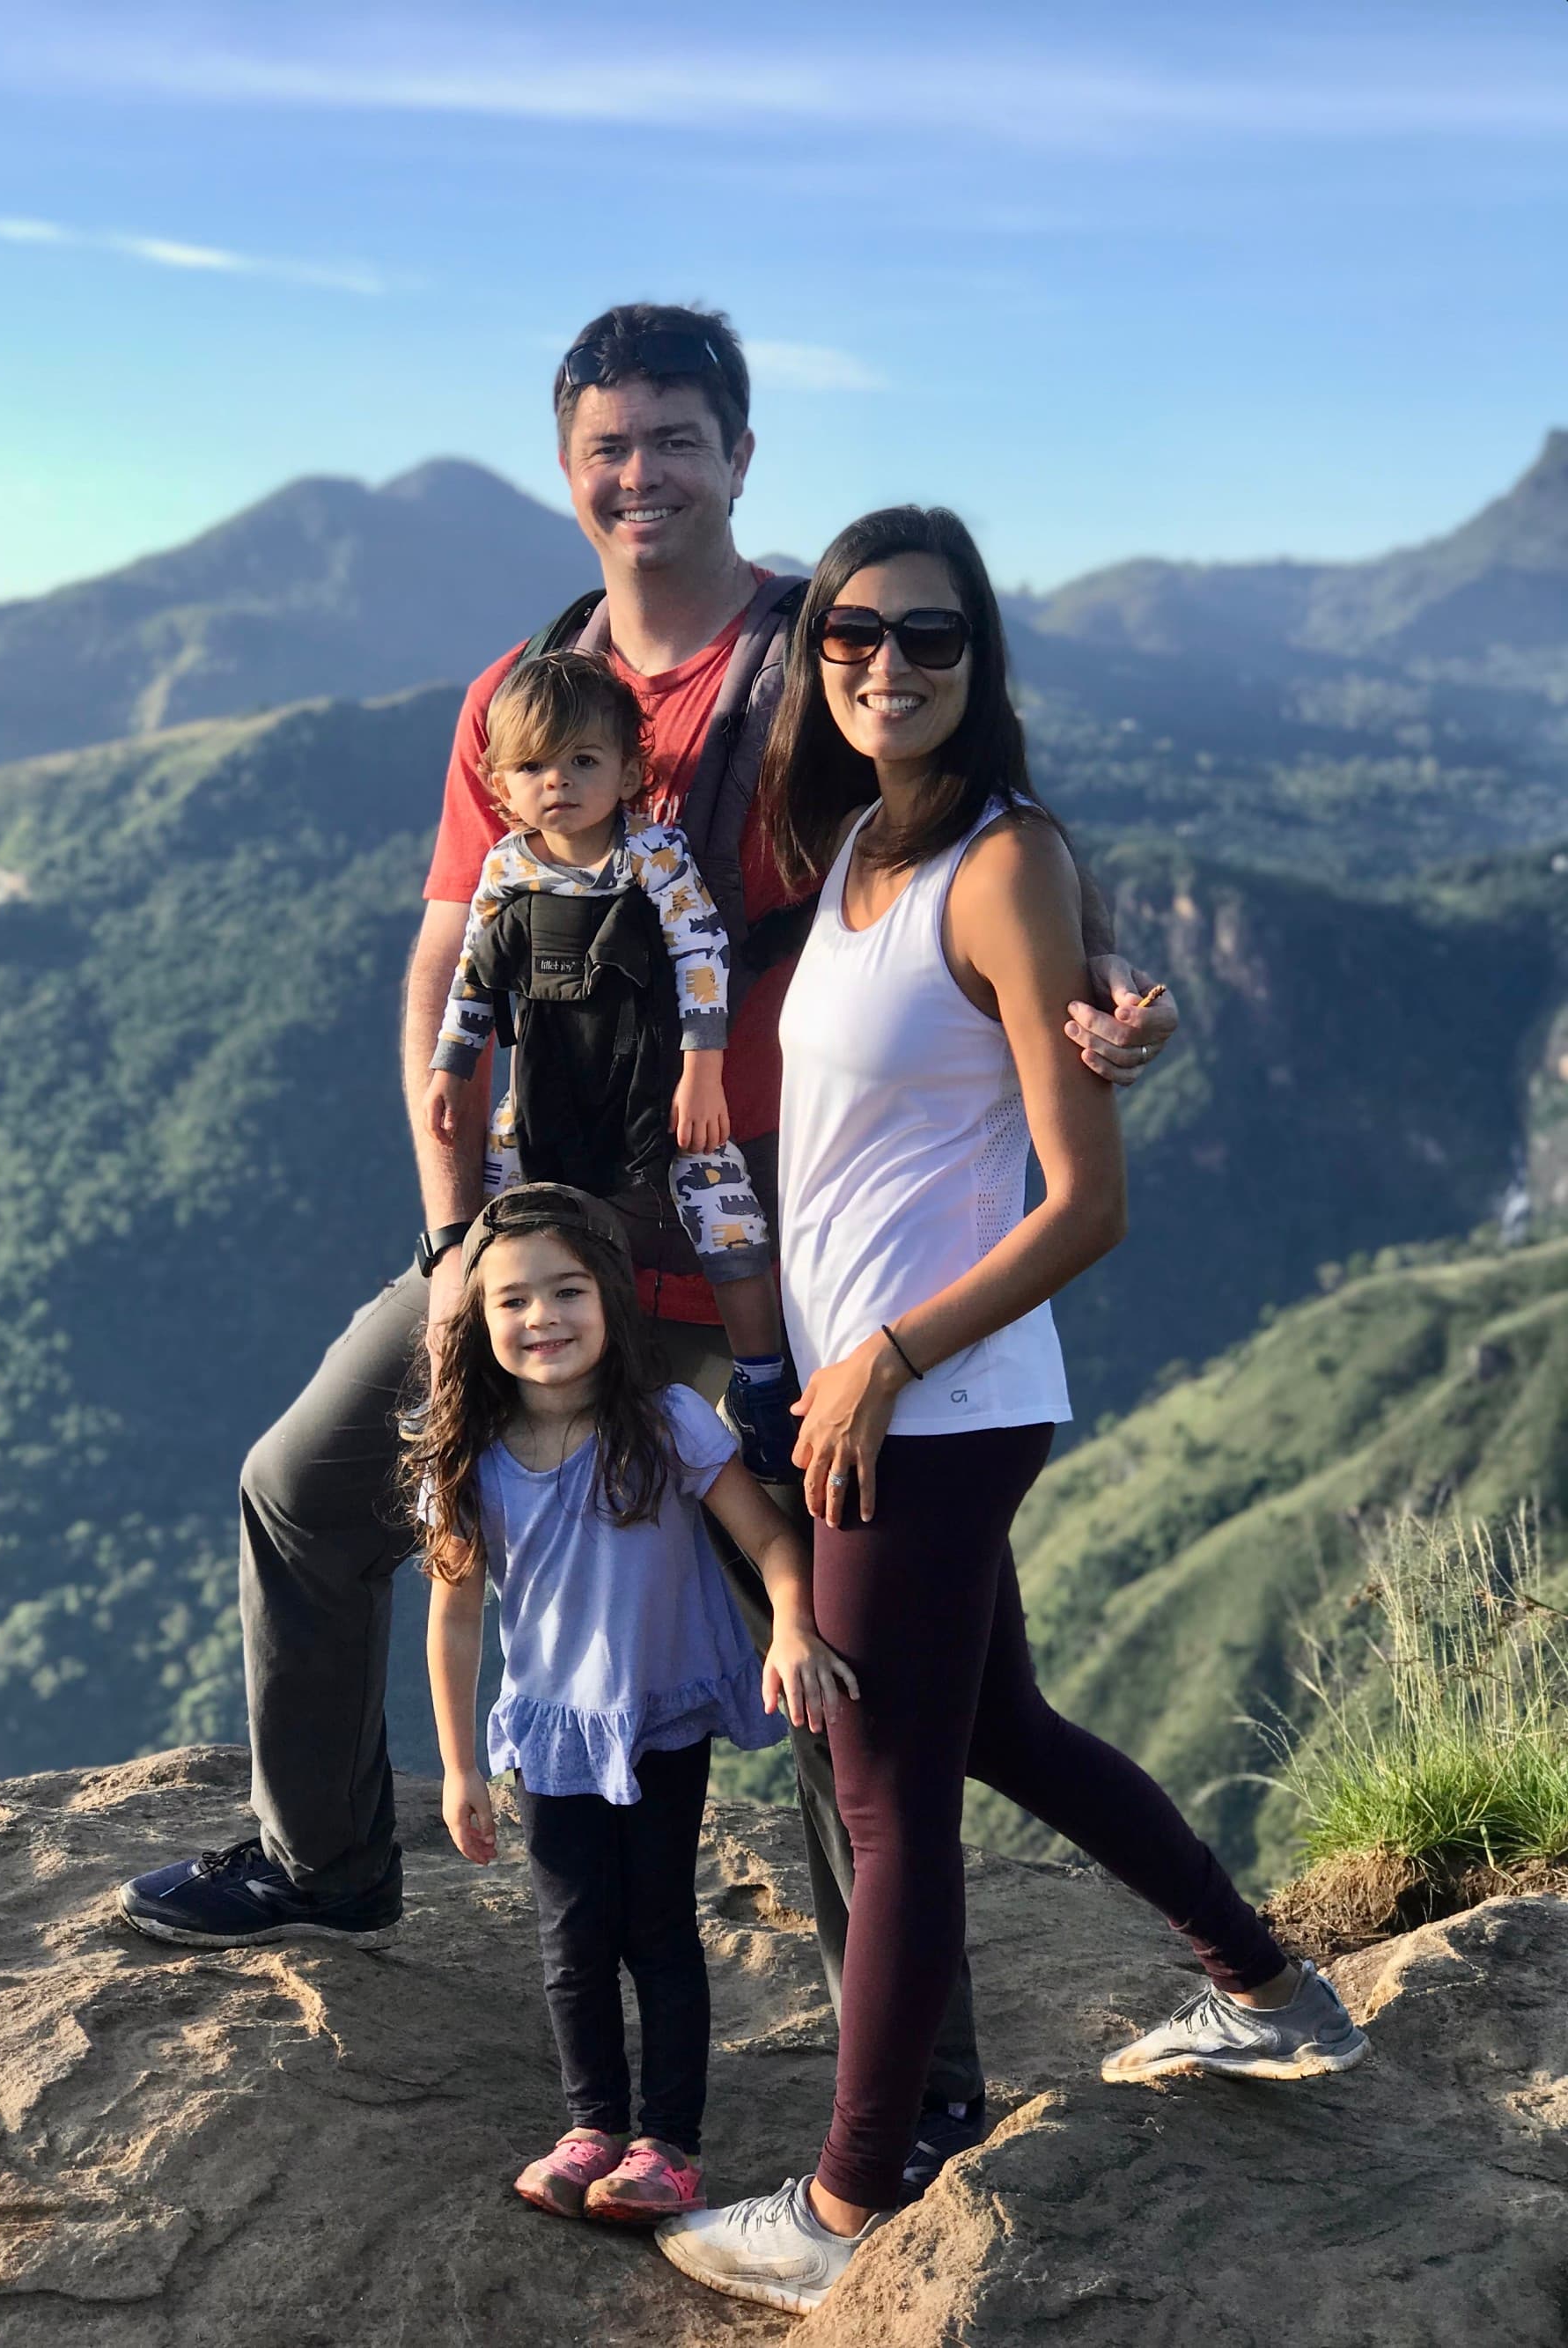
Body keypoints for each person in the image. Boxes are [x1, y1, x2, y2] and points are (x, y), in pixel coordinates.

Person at [116, 304, 1180, 2194]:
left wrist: (1092, 983)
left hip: (761, 1239)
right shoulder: (523, 695)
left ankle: (925, 2080)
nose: (642, 475)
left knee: (833, 1657)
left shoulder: (813, 657)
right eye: (610, 444)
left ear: (741, 456)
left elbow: (969, 822)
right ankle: (326, 1852)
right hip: (540, 1228)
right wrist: (456, 1230)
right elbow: (451, 942)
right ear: (566, 463)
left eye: (676, 439)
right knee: (303, 1483)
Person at [656, 507, 1367, 2317]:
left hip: (929, 1403)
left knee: (879, 1796)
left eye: (930, 639)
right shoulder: (860, 858)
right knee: (1002, 1729)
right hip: (873, 1398)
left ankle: (842, 2200)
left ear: (981, 664)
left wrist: (884, 1356)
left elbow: (1086, 1197)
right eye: (850, 639)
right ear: (814, 659)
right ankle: (1273, 1992)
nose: (885, 666)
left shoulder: (994, 859)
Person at [414, 1183, 858, 2223]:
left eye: (566, 1291)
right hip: (547, 1732)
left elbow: (770, 1539)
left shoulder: (665, 1424)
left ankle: (668, 2143)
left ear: (609, 1301)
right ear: (479, 1327)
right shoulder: (470, 1463)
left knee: (656, 1927)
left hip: (655, 1718)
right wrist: (458, 1766)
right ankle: (589, 2127)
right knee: (570, 1937)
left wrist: (791, 1623)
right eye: (512, 1302)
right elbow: (453, 1618)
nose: (542, 1319)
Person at [424, 651, 796, 1476]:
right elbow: (475, 976)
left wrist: (704, 1070)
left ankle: (764, 1380)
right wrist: (452, 1066)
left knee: (724, 1213)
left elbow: (703, 953)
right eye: (532, 766)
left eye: (583, 760)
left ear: (631, 771)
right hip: (543, 1087)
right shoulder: (506, 870)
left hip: (654, 1082)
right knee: (508, 1227)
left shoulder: (653, 857)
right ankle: (474, 1383)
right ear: (501, 785)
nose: (558, 782)